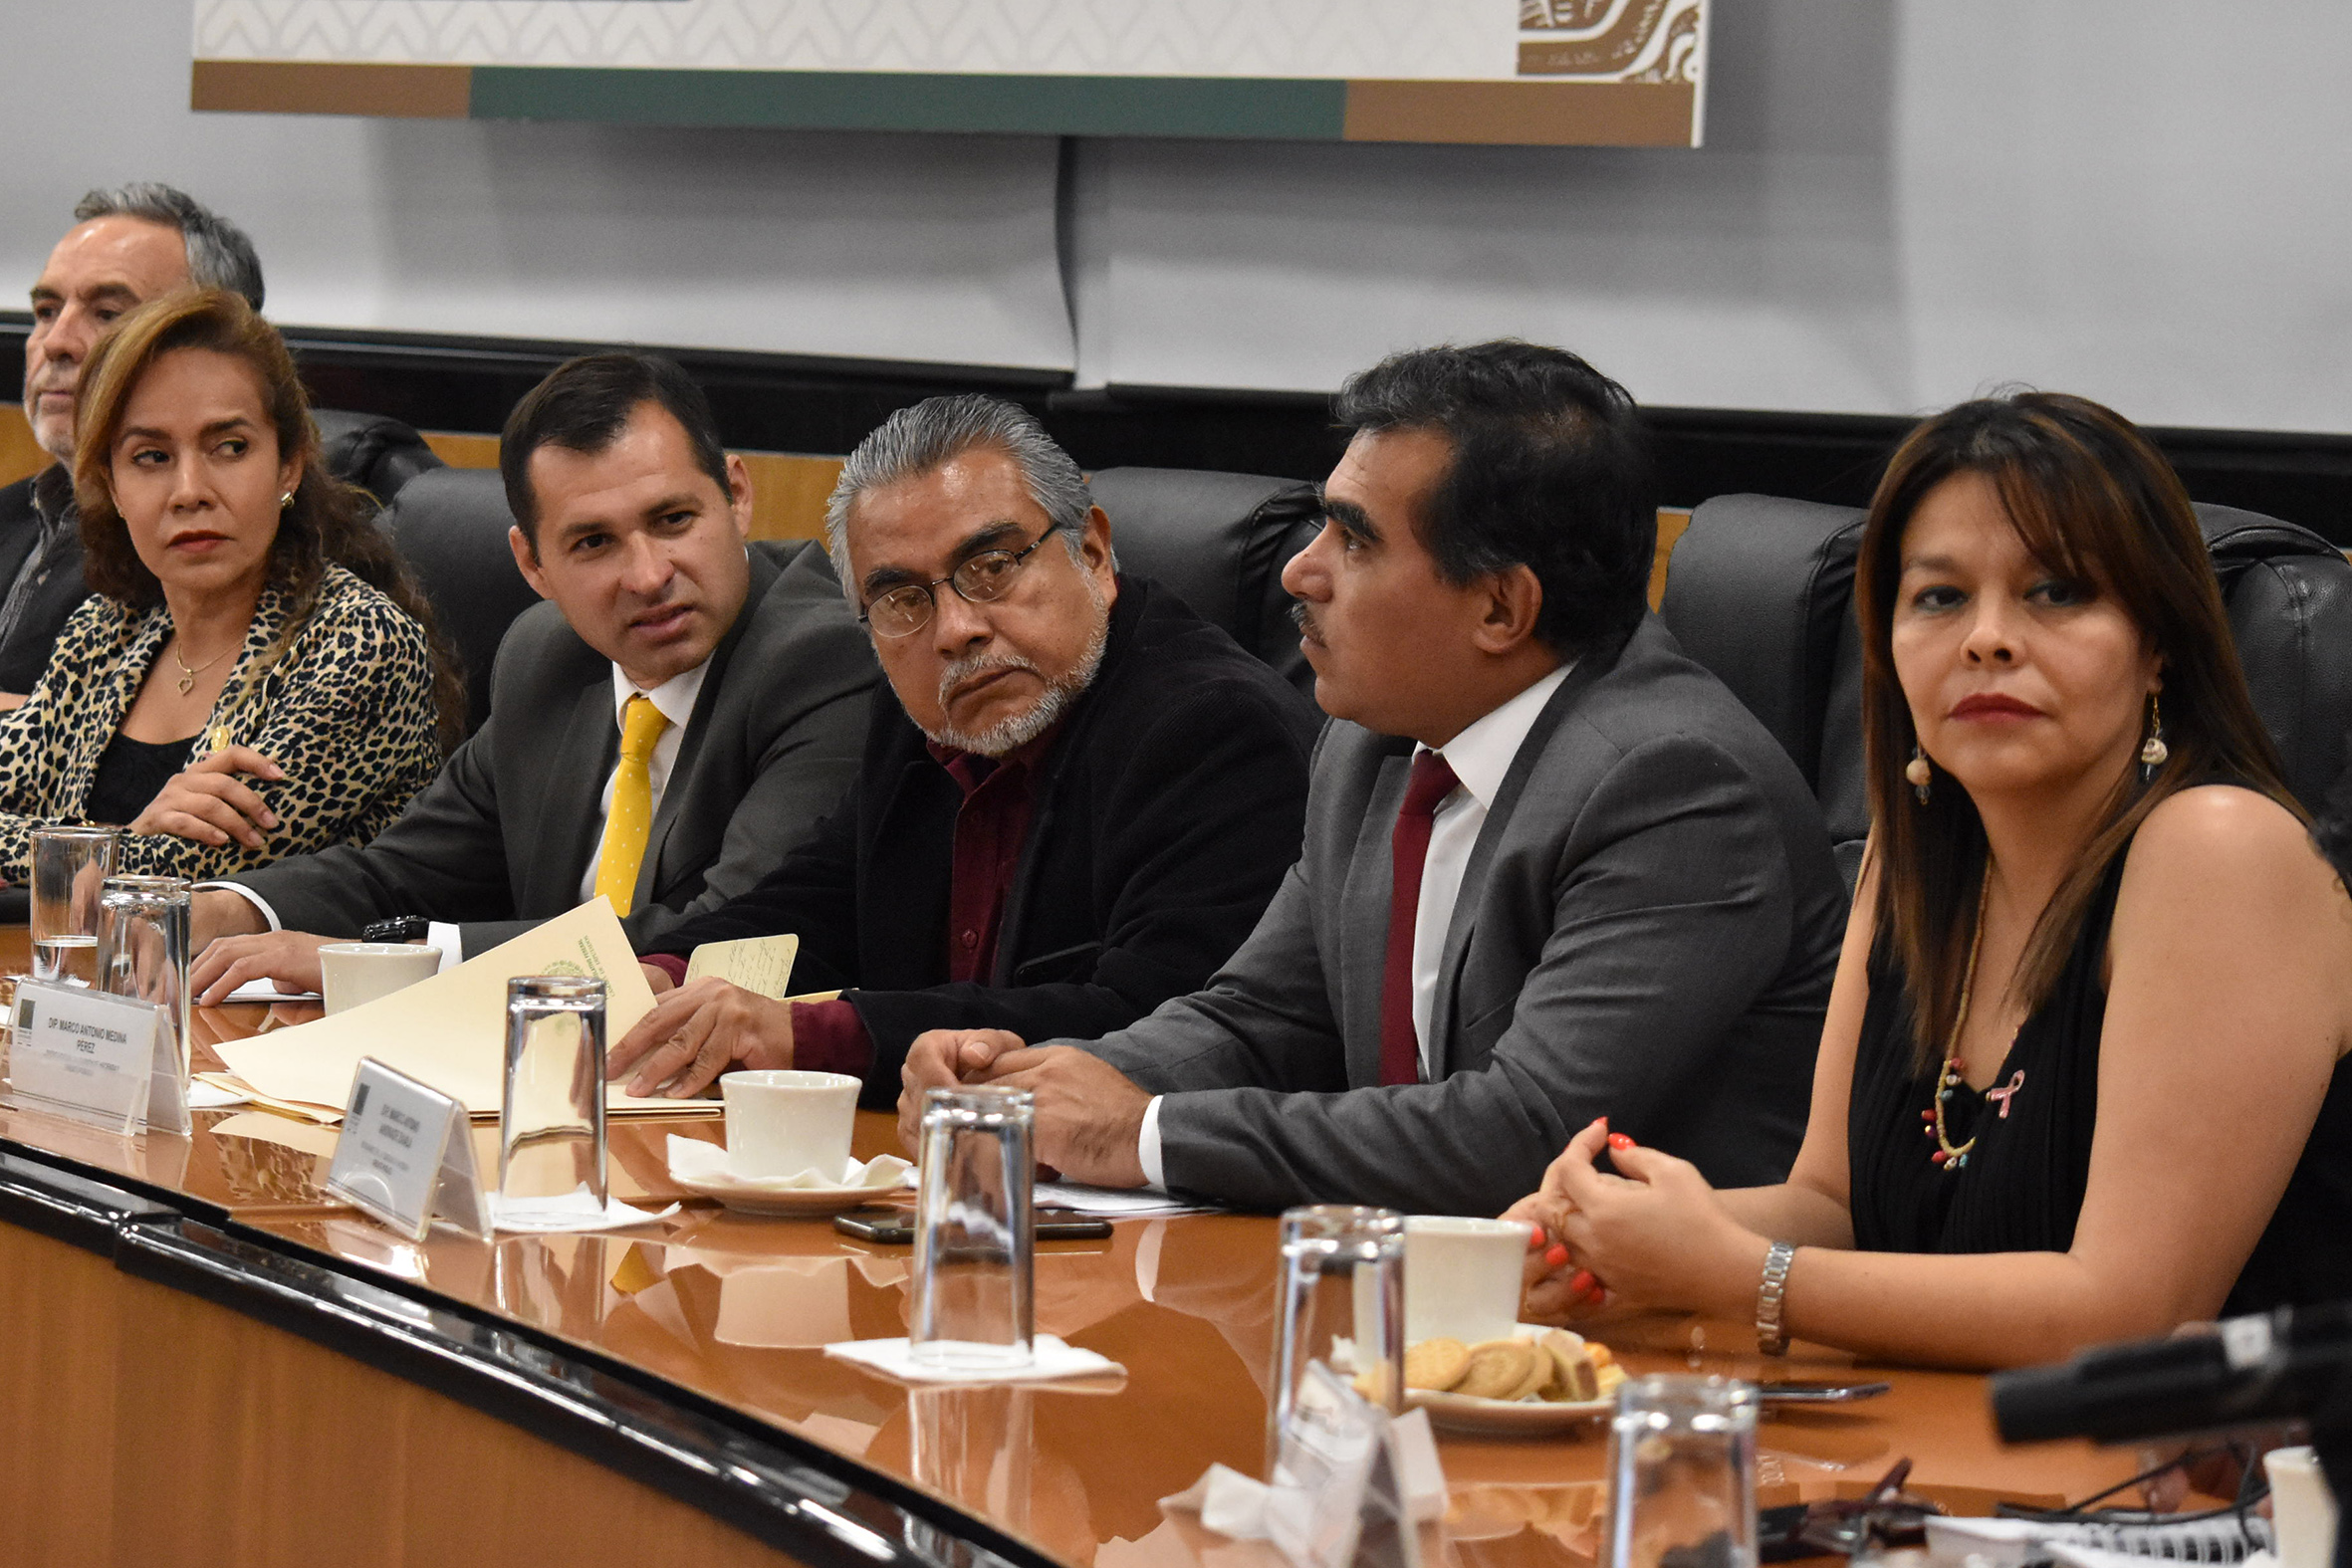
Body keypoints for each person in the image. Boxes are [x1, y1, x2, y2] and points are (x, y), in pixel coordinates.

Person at [897, 341, 1848, 1215]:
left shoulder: (1676, 789)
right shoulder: (1372, 745)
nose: (1300, 573)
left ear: (1501, 607)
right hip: (1431, 1292)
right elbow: (1261, 1016)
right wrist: (1030, 1084)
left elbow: (1520, 1134)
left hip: (1659, 1326)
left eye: (1354, 541)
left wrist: (1137, 1133)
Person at [1509, 392, 2352, 1370]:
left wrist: (1736, 1272)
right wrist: (1606, 1239)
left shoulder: (2224, 852)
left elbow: (2131, 1312)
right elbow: (1832, 1205)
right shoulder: (1909, 853)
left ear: (2158, 647)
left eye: (2057, 592)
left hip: (2223, 1464)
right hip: (1948, 1444)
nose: (1986, 638)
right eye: (1940, 598)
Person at [600, 393, 1321, 1105]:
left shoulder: (1217, 730)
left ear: (1094, 554)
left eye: (992, 567)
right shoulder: (929, 714)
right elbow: (821, 904)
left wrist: (814, 1034)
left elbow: (1158, 1025)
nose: (954, 630)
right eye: (902, 601)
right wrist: (665, 976)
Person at [186, 352, 877, 992]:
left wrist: (403, 959)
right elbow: (404, 873)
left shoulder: (822, 661)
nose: (648, 576)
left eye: (672, 519)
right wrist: (235, 909)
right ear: (533, 564)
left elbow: (732, 941)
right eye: (594, 542)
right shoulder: (543, 656)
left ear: (736, 496)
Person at [0, 288, 456, 880]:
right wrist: (124, 841)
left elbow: (201, 869)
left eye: (229, 448)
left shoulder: (362, 643)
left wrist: (93, 850)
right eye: (151, 456)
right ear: (113, 487)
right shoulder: (106, 631)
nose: (190, 490)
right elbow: (131, 857)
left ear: (288, 466)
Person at [2, 183, 266, 703]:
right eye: (47, 311)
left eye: (107, 313)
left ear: (217, 343)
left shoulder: (205, 541)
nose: (56, 343)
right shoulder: (12, 511)